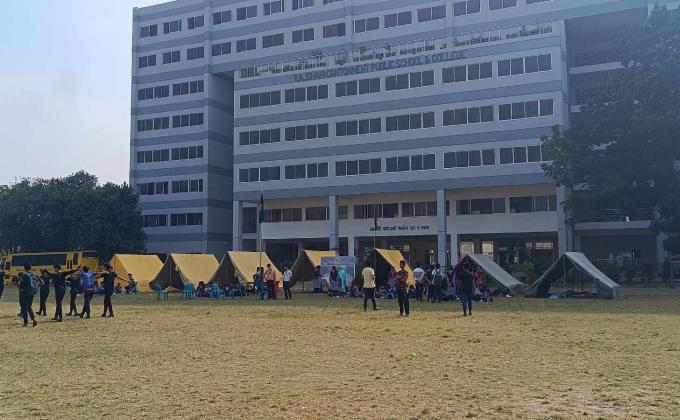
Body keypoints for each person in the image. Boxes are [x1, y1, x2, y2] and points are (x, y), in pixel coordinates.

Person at [18, 263, 39, 327]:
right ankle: (34, 320)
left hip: (25, 293)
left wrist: (20, 288)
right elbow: (40, 282)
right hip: (32, 292)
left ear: (25, 268)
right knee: (29, 306)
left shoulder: (25, 275)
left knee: (24, 307)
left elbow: (22, 285)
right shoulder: (34, 274)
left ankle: (25, 322)